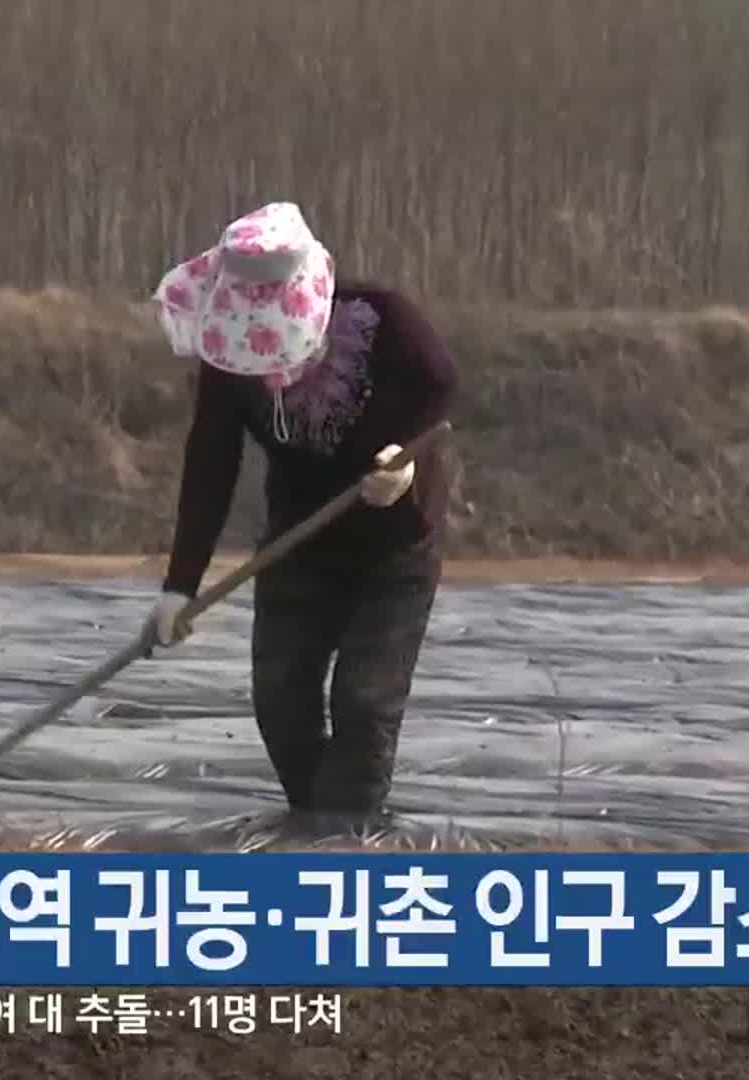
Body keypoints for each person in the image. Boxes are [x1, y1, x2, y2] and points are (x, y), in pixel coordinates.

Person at [140, 201, 458, 834]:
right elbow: (211, 465)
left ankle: (340, 850)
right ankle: (327, 834)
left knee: (365, 703)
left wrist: (402, 458)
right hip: (298, 543)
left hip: (394, 546)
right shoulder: (227, 357)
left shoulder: (386, 319)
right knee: (281, 703)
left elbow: (441, 385)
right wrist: (180, 587)